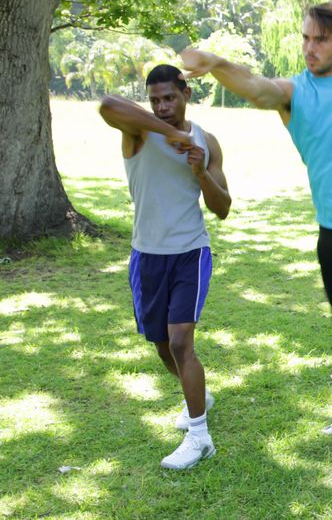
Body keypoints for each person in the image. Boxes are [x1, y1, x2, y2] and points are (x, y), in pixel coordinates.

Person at [180, 1, 332, 502]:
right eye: (306, 38)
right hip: (330, 228)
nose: (309, 48)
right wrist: (217, 63)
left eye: (320, 40)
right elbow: (257, 86)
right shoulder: (296, 92)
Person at [98, 64, 231, 470]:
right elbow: (107, 104)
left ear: (186, 93)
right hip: (146, 255)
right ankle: (197, 393)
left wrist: (199, 169)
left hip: (190, 251)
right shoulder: (138, 131)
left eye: (169, 98)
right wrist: (172, 134)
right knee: (159, 342)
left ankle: (199, 435)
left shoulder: (207, 141)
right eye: (154, 99)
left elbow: (222, 207)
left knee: (179, 342)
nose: (162, 106)